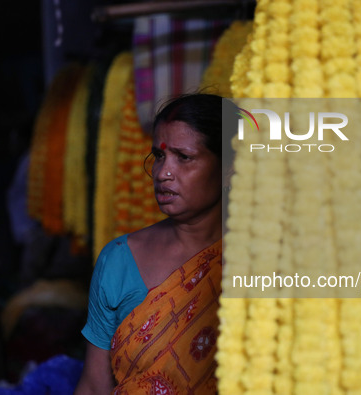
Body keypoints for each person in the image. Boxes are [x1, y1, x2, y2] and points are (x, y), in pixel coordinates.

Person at [75, 93, 237, 394]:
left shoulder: (259, 257)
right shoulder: (119, 260)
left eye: (183, 157)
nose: (163, 173)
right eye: (159, 156)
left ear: (227, 166)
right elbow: (95, 383)